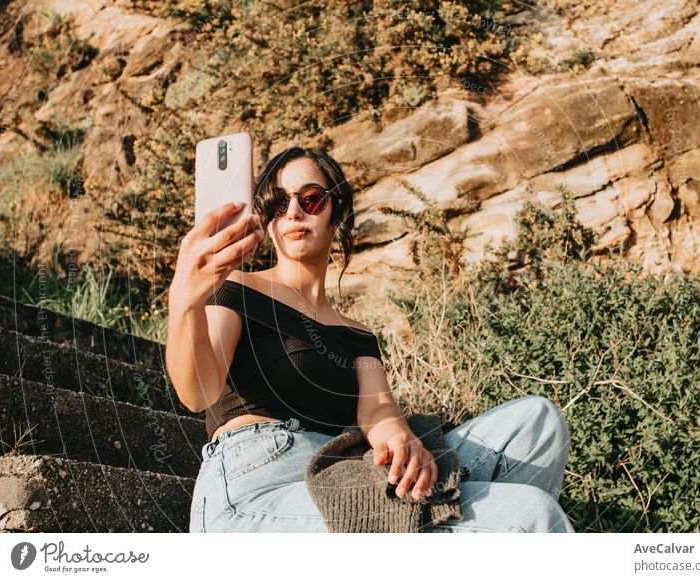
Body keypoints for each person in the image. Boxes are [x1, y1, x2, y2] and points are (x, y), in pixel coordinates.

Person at [166, 146, 575, 533]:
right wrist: (185, 298)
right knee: (532, 514)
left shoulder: (357, 335)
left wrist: (400, 440)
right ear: (268, 219)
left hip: (343, 473)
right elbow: (198, 393)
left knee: (538, 422)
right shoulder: (237, 287)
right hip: (255, 486)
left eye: (310, 198)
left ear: (336, 210)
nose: (292, 211)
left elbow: (378, 411)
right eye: (277, 203)